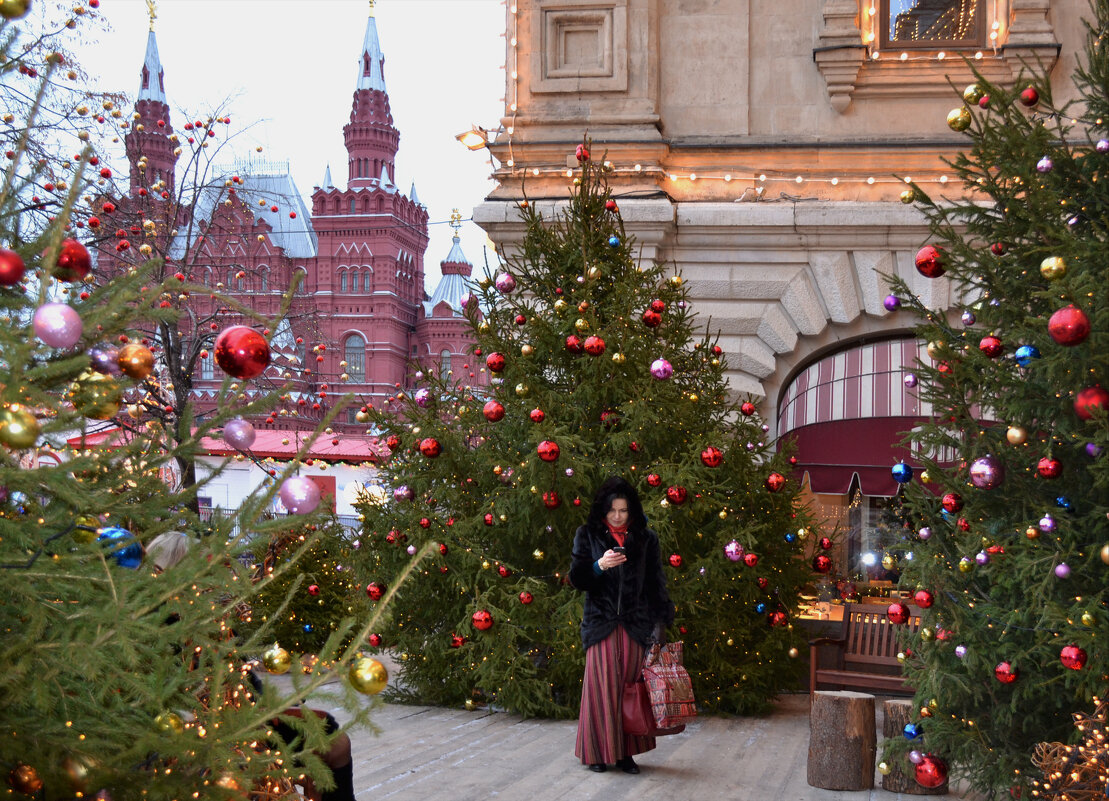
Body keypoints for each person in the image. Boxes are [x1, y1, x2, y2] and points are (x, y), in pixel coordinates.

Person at [569, 476, 675, 774]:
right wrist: (598, 566)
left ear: (632, 511)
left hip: (634, 625)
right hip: (601, 624)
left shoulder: (646, 538)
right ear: (603, 510)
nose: (617, 516)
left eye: (623, 510)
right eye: (612, 510)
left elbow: (656, 583)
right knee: (601, 689)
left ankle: (626, 754)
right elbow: (577, 578)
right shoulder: (587, 534)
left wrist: (660, 621)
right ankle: (598, 754)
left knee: (630, 691)